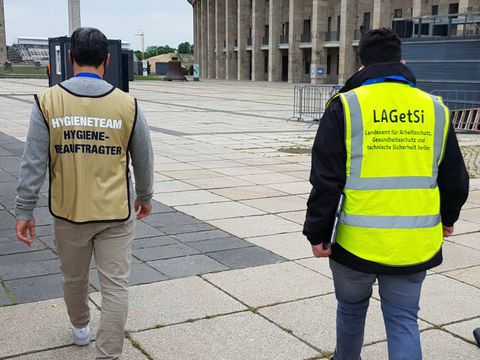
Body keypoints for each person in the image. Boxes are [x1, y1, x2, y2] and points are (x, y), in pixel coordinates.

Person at [303, 28, 469, 360]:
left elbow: (326, 181)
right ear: (401, 61)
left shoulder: (346, 106)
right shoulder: (435, 108)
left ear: (361, 64)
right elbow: (455, 177)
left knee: (351, 310)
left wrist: (318, 233)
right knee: (403, 320)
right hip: (414, 243)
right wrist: (448, 219)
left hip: (355, 243)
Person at [15, 27, 154, 360]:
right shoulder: (128, 105)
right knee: (116, 287)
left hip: (68, 213)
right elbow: (144, 157)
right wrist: (145, 196)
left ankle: (80, 328)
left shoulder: (47, 102)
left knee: (74, 279)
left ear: (70, 57)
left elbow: (33, 162)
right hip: (115, 214)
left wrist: (24, 210)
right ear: (106, 60)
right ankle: (108, 354)